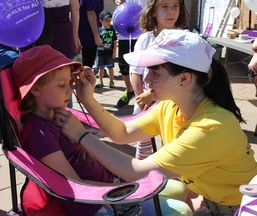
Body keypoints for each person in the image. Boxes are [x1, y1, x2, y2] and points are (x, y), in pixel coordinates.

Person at [54, 30, 257, 215]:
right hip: (210, 199)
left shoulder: (211, 127)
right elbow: (123, 132)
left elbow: (136, 172)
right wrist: (88, 99)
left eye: (155, 72)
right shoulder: (171, 106)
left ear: (184, 79)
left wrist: (81, 135)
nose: (146, 79)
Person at [14, 44, 193, 216]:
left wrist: (87, 97)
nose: (70, 90)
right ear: (35, 88)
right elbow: (72, 184)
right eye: (61, 85)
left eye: (69, 82)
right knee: (180, 211)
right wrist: (125, 189)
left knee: (179, 188)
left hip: (108, 185)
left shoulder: (58, 116)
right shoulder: (39, 133)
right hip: (93, 203)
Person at [131, 0, 189, 159]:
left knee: (173, 147)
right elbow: (135, 72)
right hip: (147, 104)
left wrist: (154, 94)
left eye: (175, 6)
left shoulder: (186, 39)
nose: (171, 11)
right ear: (153, 11)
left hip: (175, 104)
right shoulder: (145, 40)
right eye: (165, 6)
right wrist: (143, 98)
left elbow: (185, 76)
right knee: (143, 147)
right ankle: (143, 179)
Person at [114, 0, 145, 108]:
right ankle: (129, 90)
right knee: (123, 64)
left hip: (143, 31)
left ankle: (143, 94)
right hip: (124, 31)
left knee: (142, 65)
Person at [95, 10, 117, 89]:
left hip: (109, 53)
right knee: (101, 68)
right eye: (106, 21)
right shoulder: (98, 30)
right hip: (100, 53)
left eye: (110, 20)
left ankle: (111, 81)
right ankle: (100, 81)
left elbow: (114, 41)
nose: (108, 22)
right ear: (101, 20)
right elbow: (96, 41)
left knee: (110, 67)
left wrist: (115, 52)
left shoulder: (112, 29)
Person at [78, 0, 104, 68]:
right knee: (87, 67)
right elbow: (90, 12)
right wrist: (96, 36)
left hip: (79, 32)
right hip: (88, 34)